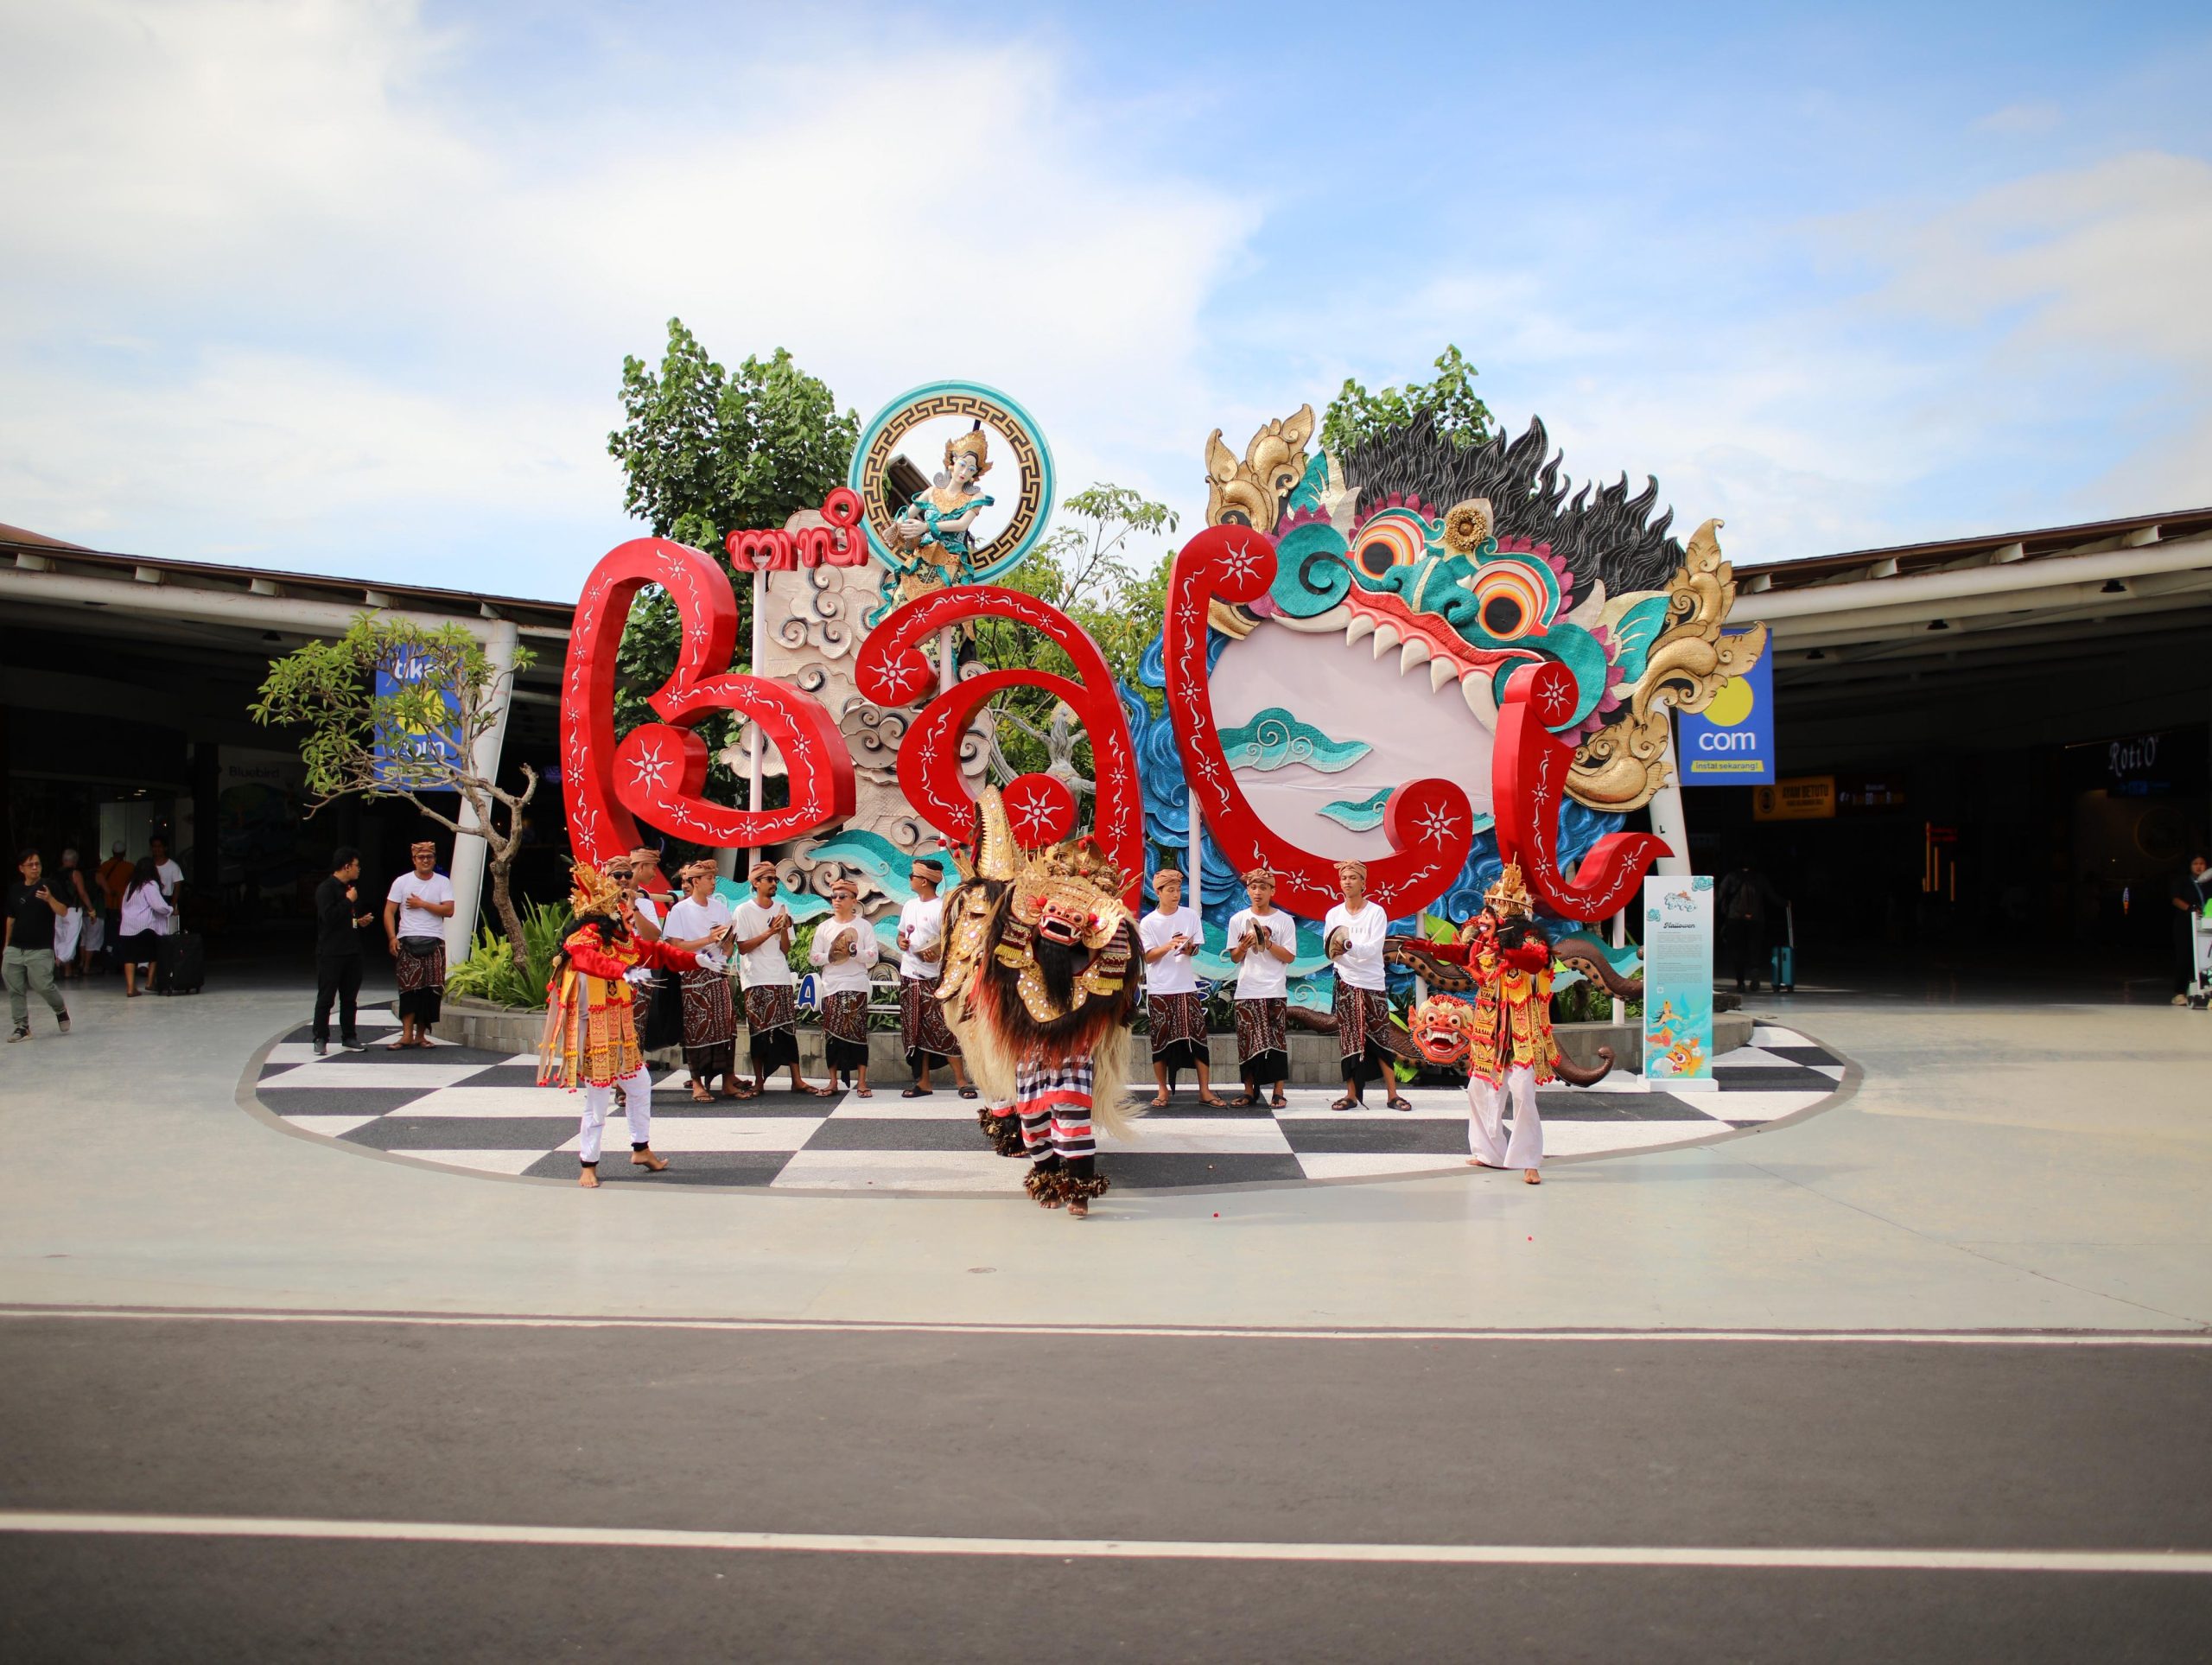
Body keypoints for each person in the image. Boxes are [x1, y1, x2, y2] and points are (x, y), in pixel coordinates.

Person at [537, 862, 696, 1187]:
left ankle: (640, 1148)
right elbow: (586, 960)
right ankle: (588, 1164)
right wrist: (621, 972)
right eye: (628, 913)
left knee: (640, 1086)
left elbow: (656, 951)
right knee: (597, 1100)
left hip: (622, 1035)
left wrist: (698, 959)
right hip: (596, 1033)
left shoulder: (622, 942)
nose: (632, 917)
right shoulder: (583, 940)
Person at [1459, 866, 1555, 1185]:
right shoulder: (1487, 942)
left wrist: (1508, 953)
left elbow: (1537, 961)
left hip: (1522, 1030)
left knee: (1523, 1091)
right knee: (1478, 1086)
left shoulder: (1529, 940)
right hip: (1491, 1027)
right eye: (1492, 909)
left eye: (1500, 909)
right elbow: (1469, 962)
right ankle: (1489, 1153)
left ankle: (1529, 1160)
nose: (1492, 915)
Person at [734, 860, 826, 1096]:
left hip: (780, 976)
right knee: (759, 1031)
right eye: (769, 879)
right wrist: (770, 931)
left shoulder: (782, 906)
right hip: (755, 978)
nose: (775, 883)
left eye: (776, 879)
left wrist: (783, 928)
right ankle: (759, 1081)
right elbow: (743, 947)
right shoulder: (743, 910)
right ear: (756, 883)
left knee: (787, 1030)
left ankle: (797, 1079)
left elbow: (784, 949)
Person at [1324, 859, 1408, 1111]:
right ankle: (1351, 1095)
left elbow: (1372, 949)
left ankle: (1393, 1094)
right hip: (1346, 982)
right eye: (1344, 878)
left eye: (1352, 877)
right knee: (1349, 1039)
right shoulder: (1333, 914)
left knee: (1380, 1037)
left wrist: (1348, 946)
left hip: (1371, 983)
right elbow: (1330, 950)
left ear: (1363, 882)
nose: (1347, 882)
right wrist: (1343, 952)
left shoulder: (1375, 912)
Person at [1140, 864, 1225, 1108]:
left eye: (1178, 889)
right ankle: (1162, 1090)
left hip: (1186, 987)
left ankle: (1205, 1091)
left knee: (1198, 1037)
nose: (1175, 894)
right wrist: (1168, 946)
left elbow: (1195, 947)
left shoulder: (1189, 916)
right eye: (1170, 890)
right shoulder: (1149, 923)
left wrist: (1189, 947)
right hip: (1160, 988)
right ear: (1158, 892)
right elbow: (1147, 957)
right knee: (1160, 1039)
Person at [660, 860, 745, 1102]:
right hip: (693, 974)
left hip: (718, 973)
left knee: (727, 1027)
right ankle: (697, 1082)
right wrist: (707, 941)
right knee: (697, 1029)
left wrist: (725, 953)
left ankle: (728, 1080)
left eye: (713, 878)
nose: (713, 883)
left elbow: (730, 940)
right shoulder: (681, 910)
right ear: (696, 881)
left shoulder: (719, 907)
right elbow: (675, 945)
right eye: (709, 879)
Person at [896, 857, 972, 1098]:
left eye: (913, 876)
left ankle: (961, 1081)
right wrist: (902, 942)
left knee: (944, 1028)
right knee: (915, 1031)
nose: (910, 879)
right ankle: (923, 1082)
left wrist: (937, 954)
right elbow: (901, 934)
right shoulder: (909, 905)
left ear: (925, 881)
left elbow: (953, 941)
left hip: (936, 978)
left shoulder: (943, 907)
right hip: (910, 975)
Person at [1225, 866, 1298, 1109]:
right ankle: (1249, 1091)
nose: (1258, 892)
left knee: (1277, 1040)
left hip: (1274, 989)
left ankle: (1278, 1091)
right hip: (1247, 989)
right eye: (1253, 887)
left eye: (1263, 887)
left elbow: (1289, 957)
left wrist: (1267, 944)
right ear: (1248, 890)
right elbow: (1235, 958)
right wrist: (1244, 947)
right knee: (1247, 1041)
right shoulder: (1238, 919)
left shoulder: (1284, 920)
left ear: (1272, 891)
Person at [810, 877, 880, 1096]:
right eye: (834, 896)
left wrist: (854, 953)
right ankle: (832, 1081)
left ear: (853, 900)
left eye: (842, 896)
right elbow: (814, 957)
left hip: (855, 984)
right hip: (832, 986)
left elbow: (873, 956)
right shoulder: (825, 927)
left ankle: (861, 1082)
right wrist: (833, 956)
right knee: (833, 1036)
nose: (837, 900)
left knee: (858, 1034)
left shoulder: (863, 926)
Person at [383, 840, 454, 1049]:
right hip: (407, 938)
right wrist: (392, 937)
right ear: (414, 859)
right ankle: (406, 1034)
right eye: (421, 857)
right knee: (408, 989)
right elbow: (389, 911)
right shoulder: (402, 882)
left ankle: (421, 1035)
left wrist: (422, 904)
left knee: (430, 990)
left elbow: (449, 910)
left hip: (434, 939)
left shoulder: (442, 882)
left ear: (434, 859)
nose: (425, 860)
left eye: (429, 857)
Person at [311, 848, 375, 1054]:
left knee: (350, 998)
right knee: (326, 997)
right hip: (331, 952)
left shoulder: (351, 888)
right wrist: (348, 901)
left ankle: (349, 1036)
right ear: (347, 866)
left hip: (352, 951)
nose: (359, 870)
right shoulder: (326, 889)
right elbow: (328, 917)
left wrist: (359, 921)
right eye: (356, 865)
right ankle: (320, 1036)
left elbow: (345, 920)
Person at [6, 849, 71, 1042]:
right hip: (15, 947)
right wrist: (6, 945)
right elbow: (10, 918)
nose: (35, 868)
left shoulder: (49, 886)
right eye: (30, 864)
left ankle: (60, 1010)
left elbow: (64, 912)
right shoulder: (15, 890)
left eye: (38, 864)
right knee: (14, 987)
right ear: (21, 869)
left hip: (41, 948)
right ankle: (22, 1026)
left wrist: (50, 899)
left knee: (42, 985)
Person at [1716, 861, 1784, 994]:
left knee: (1737, 950)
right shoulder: (1760, 877)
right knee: (1755, 948)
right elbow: (1771, 895)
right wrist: (1785, 903)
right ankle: (1754, 974)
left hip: (1735, 918)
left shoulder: (1731, 876)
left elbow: (1720, 894)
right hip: (1756, 918)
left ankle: (1740, 982)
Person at [116, 857, 174, 999]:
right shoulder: (150, 884)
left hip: (127, 928)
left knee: (130, 957)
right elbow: (158, 905)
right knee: (154, 953)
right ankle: (150, 982)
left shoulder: (131, 885)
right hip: (144, 927)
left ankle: (130, 988)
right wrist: (170, 909)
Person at [2171, 855, 2211, 1006]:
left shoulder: (2209, 882)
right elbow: (2175, 899)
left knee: (2205, 958)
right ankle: (2180, 993)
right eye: (2195, 864)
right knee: (2185, 956)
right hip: (2185, 924)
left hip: (2206, 925)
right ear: (2189, 866)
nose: (2199, 867)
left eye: (2202, 863)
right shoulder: (2182, 881)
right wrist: (2190, 908)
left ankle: (2203, 990)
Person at [50, 848, 93, 981]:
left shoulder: (54, 874)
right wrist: (91, 909)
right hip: (73, 910)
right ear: (75, 862)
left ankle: (63, 966)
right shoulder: (75, 873)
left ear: (63, 860)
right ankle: (58, 961)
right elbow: (82, 893)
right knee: (71, 939)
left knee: (60, 938)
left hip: (58, 909)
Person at [96, 842, 133, 974]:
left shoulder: (104, 866)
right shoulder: (129, 867)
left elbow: (99, 881)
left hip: (108, 905)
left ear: (112, 852)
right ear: (124, 853)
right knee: (122, 934)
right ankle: (121, 960)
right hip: (124, 906)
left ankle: (109, 960)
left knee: (109, 933)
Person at [149, 835, 184, 936]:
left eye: (159, 846)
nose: (157, 849)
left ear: (165, 848)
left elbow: (177, 887)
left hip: (167, 901)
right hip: (151, 903)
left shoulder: (173, 866)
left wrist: (172, 905)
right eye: (154, 846)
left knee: (168, 932)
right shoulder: (148, 866)